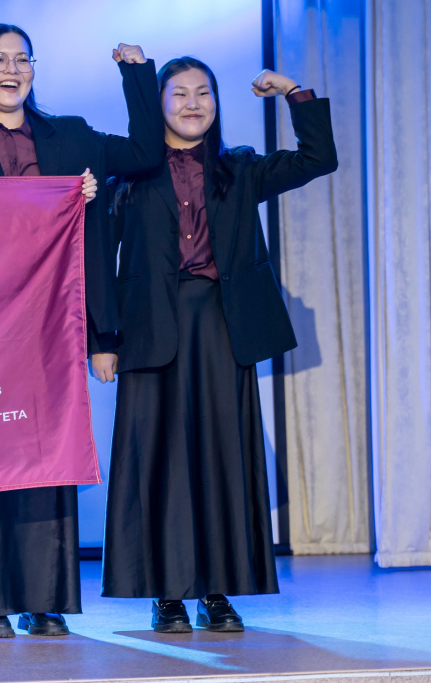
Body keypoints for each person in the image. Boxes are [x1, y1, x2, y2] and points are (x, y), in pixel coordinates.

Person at [0, 24, 160, 638]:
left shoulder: (71, 137)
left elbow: (145, 153)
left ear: (33, 69)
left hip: (52, 328)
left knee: (45, 464)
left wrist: (137, 72)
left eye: (21, 59)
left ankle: (44, 597)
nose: (11, 69)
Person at [99, 58, 337, 633]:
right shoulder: (129, 178)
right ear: (157, 104)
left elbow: (318, 159)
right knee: (158, 461)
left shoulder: (240, 168)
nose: (192, 103)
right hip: (150, 330)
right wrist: (102, 339)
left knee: (220, 459)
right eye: (179, 93)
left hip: (221, 328)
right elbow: (99, 263)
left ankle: (217, 590)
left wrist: (292, 91)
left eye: (203, 93)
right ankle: (167, 594)